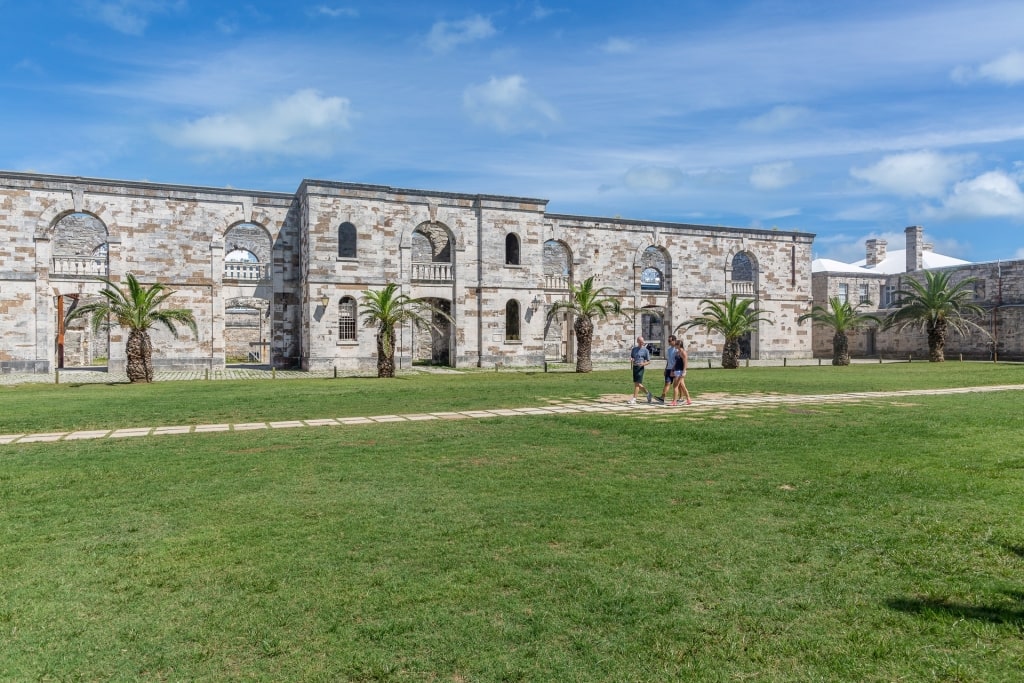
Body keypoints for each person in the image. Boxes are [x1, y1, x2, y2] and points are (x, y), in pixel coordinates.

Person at [628, 335, 652, 404]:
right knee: (637, 383)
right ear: (637, 342)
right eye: (640, 342)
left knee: (637, 383)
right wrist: (631, 359)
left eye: (642, 342)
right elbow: (632, 357)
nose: (642, 343)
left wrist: (643, 364)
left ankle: (634, 398)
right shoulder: (634, 349)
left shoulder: (645, 350)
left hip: (640, 368)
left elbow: (649, 361)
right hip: (635, 367)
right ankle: (648, 393)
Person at [655, 335, 678, 403]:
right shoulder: (668, 349)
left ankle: (681, 398)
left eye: (670, 341)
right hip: (669, 369)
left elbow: (678, 360)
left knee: (678, 385)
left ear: (674, 341)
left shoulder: (677, 349)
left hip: (676, 369)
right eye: (668, 341)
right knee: (667, 383)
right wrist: (665, 368)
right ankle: (662, 397)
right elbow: (668, 360)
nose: (669, 342)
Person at [670, 339, 693, 407]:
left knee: (675, 386)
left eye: (676, 344)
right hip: (676, 370)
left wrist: (684, 371)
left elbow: (685, 362)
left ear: (679, 345)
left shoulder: (683, 352)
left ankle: (674, 401)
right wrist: (673, 369)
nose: (675, 345)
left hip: (680, 371)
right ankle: (688, 399)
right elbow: (676, 362)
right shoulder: (677, 352)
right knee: (682, 386)